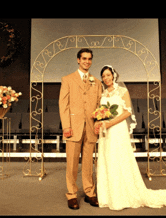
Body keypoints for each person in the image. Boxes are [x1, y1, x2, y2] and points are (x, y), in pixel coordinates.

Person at [95, 65, 166, 210]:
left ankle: (123, 195)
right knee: (108, 158)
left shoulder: (122, 91)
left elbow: (127, 112)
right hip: (106, 132)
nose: (106, 78)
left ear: (113, 75)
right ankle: (108, 195)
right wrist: (100, 120)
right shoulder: (103, 94)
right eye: (103, 76)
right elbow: (100, 112)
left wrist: (110, 122)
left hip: (117, 129)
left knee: (120, 158)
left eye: (108, 75)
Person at [59, 48, 102, 210]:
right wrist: (66, 126)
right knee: (71, 164)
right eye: (84, 58)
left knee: (88, 163)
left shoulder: (96, 82)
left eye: (89, 59)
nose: (87, 61)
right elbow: (63, 104)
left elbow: (99, 105)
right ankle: (71, 194)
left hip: (91, 127)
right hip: (73, 127)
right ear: (78, 60)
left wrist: (98, 122)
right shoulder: (67, 79)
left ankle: (90, 192)